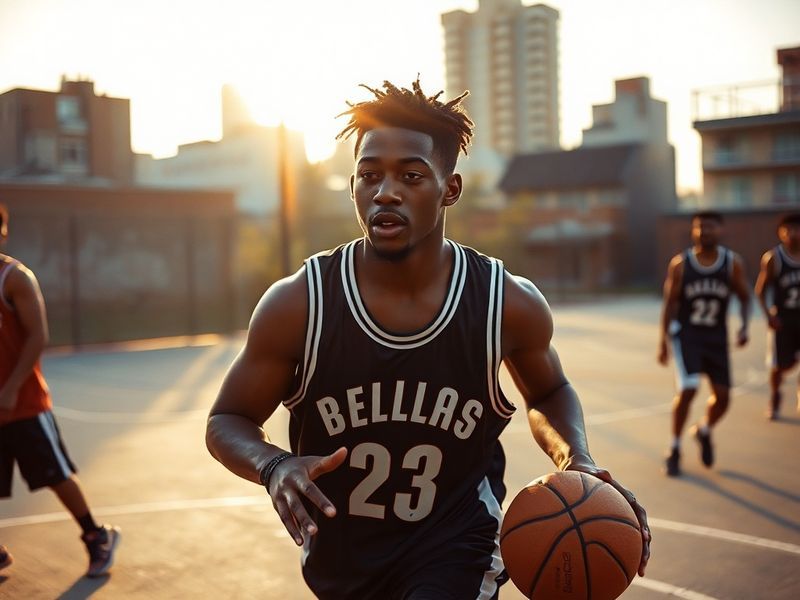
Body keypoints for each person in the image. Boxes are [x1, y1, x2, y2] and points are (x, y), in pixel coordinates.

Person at [206, 80, 650, 599]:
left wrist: (577, 458)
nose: (386, 191)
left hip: (459, 543)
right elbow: (227, 420)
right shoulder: (300, 303)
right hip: (343, 557)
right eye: (369, 175)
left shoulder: (503, 302)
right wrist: (274, 464)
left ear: (450, 189)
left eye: (411, 175)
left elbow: (548, 393)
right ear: (352, 186)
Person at [0, 204, 120, 578]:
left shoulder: (14, 277)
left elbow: (38, 336)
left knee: (56, 475)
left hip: (24, 403)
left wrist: (11, 387)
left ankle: (96, 535)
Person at [657, 211, 751, 476]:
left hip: (716, 338)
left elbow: (745, 297)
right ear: (693, 231)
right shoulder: (681, 264)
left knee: (723, 398)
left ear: (719, 230)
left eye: (709, 227)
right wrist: (663, 341)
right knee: (689, 388)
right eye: (699, 227)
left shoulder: (732, 263)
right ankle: (674, 448)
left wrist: (744, 325)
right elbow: (669, 303)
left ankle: (704, 429)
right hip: (687, 335)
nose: (704, 232)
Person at [755, 212, 800, 420]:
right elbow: (760, 290)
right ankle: (775, 395)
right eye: (788, 230)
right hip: (783, 318)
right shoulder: (774, 258)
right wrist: (768, 316)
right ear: (781, 233)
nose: (793, 234)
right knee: (779, 366)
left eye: (797, 229)